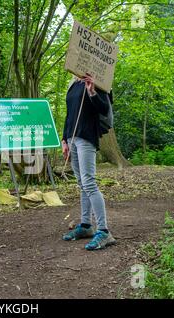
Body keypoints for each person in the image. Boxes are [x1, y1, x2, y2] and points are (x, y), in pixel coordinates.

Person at [61, 73, 116, 250]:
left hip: (86, 136)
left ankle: (104, 231)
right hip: (72, 137)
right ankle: (86, 226)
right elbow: (70, 113)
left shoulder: (98, 82)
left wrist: (92, 92)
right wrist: (64, 139)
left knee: (89, 182)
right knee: (81, 183)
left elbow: (104, 109)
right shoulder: (73, 84)